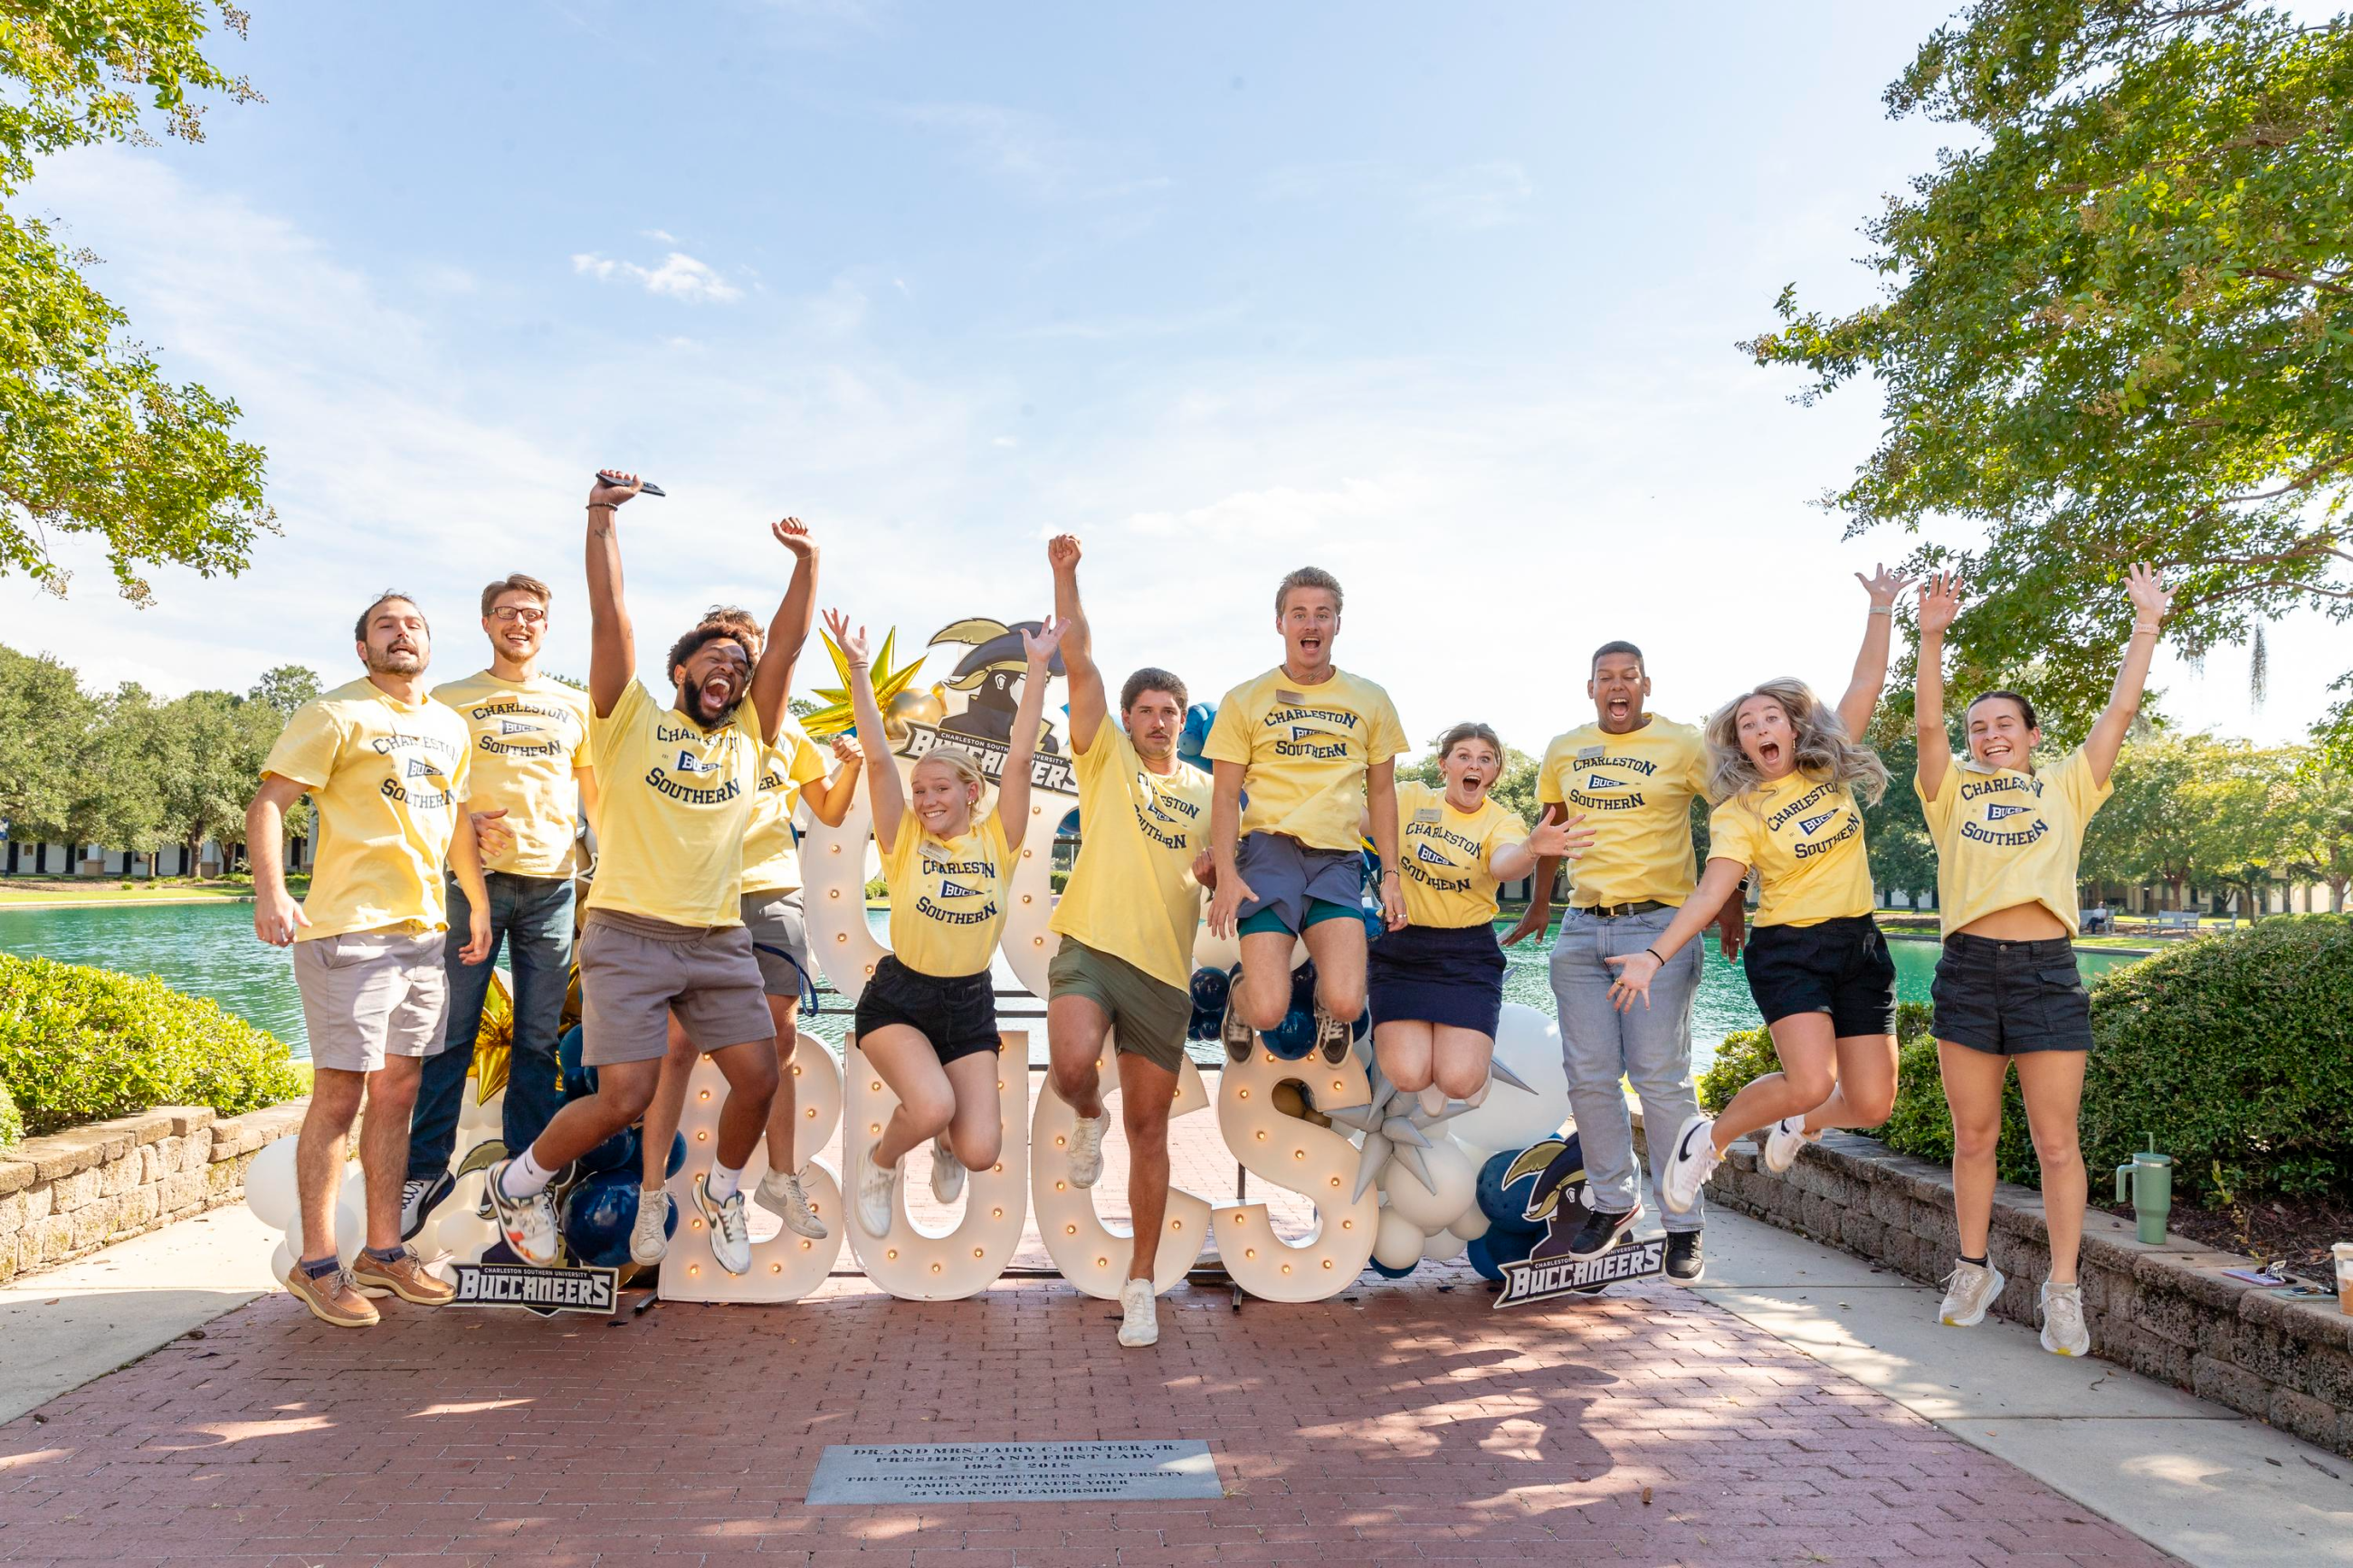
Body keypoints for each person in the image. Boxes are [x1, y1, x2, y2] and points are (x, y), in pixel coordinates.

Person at [484, 471, 815, 1278]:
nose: (731, 669)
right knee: (625, 1097)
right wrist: (600, 518)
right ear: (681, 669)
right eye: (715, 656)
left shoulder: (751, 739)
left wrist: (807, 562)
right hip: (629, 936)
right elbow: (611, 615)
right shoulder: (627, 718)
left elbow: (790, 646)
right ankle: (518, 1178)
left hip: (715, 937)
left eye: (741, 664)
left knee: (760, 1074)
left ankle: (726, 1190)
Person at [1606, 568, 1915, 1245]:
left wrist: (1882, 609)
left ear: (1793, 725)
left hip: (1861, 945)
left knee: (1869, 1103)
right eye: (1748, 724)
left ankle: (1803, 1124)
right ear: (1741, 744)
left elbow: (1865, 685)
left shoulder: (1827, 768)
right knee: (1809, 1079)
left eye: (1771, 716)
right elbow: (1715, 889)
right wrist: (1656, 956)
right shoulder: (1739, 811)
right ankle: (1705, 1142)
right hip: (1789, 951)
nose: (1760, 727)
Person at [1914, 565, 2170, 1356]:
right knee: (1974, 1136)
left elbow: (2120, 711)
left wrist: (2146, 626)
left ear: (2030, 736)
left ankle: (2063, 1288)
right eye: (1978, 726)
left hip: (2046, 971)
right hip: (1967, 967)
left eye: (2005, 725)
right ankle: (1972, 1268)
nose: (1989, 735)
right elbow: (1925, 729)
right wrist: (1929, 636)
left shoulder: (2066, 787)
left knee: (2058, 1142)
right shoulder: (1949, 791)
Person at [247, 592, 491, 1326]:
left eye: (413, 622)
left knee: (398, 1092)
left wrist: (474, 904)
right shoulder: (334, 713)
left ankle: (383, 1253)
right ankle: (316, 1263)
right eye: (385, 625)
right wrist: (272, 893)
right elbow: (268, 802)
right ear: (363, 648)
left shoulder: (450, 727)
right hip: (346, 933)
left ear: (428, 640)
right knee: (339, 1096)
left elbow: (453, 828)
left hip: (422, 934)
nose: (401, 633)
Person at [628, 605, 864, 1265]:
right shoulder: (685, 731)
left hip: (771, 892)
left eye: (752, 653)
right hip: (699, 897)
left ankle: (778, 1178)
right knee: (675, 1047)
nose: (743, 662)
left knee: (777, 1042)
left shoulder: (783, 733)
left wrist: (847, 765)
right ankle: (653, 1197)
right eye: (729, 652)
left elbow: (831, 809)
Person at [1504, 641, 1745, 1281]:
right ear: (1590, 688)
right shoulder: (1564, 747)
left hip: (1661, 924)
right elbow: (1551, 827)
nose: (1617, 686)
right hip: (1583, 927)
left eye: (1628, 677)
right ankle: (1614, 1201)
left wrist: (1731, 902)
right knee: (1587, 1075)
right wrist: (1539, 904)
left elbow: (1733, 815)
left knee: (1660, 1077)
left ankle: (1684, 1221)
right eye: (1606, 678)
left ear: (1646, 685)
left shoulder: (1685, 744)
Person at [829, 604, 1063, 1240]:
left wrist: (1037, 668)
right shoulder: (902, 840)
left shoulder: (998, 840)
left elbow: (1018, 757)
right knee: (931, 1105)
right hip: (900, 996)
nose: (927, 799)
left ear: (970, 792)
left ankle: (947, 1142)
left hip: (968, 1002)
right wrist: (856, 666)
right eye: (921, 790)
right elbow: (878, 759)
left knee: (981, 1147)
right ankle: (879, 1164)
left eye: (941, 788)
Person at [1038, 535, 1215, 1349]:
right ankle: (1084, 1113)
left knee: (1152, 1132)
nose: (1154, 720)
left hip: (1164, 978)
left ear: (1183, 719)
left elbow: (1230, 870)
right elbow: (1082, 666)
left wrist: (1224, 870)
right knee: (1072, 1066)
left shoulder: (1213, 792)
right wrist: (1066, 575)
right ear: (1131, 718)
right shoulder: (1103, 759)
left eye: (1167, 711)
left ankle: (1140, 1282)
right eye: (1143, 709)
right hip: (1091, 946)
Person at [397, 572, 599, 1239]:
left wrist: (617, 863)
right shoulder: (447, 700)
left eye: (534, 613)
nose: (521, 623)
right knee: (448, 1035)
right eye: (508, 612)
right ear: (486, 623)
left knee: (539, 1043)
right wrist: (456, 820)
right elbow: (418, 789)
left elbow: (594, 799)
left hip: (552, 889)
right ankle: (422, 1171)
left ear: (547, 625)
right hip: (471, 885)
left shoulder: (575, 704)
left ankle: (525, 1181)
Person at [1205, 567, 1407, 1064]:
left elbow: (1382, 794)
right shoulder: (1244, 699)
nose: (1310, 624)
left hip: (1336, 858)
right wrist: (1227, 874)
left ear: (1338, 623)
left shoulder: (1371, 699)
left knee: (1346, 1000)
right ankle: (1239, 997)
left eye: (1322, 613)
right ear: (1280, 624)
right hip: (1268, 855)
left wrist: (1392, 876)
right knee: (1269, 1011)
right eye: (1299, 614)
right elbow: (1226, 796)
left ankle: (1323, 1001)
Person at [1370, 724, 1591, 1104]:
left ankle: (1470, 1073)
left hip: (1467, 954)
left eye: (1485, 759)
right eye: (1464, 756)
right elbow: (1351, 819)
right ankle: (1436, 1067)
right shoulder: (1408, 797)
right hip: (1402, 950)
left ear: (1493, 773)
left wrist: (1531, 850)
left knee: (1458, 1081)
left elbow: (1506, 865)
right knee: (1408, 1074)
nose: (1475, 765)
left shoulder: (1503, 822)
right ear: (1445, 765)